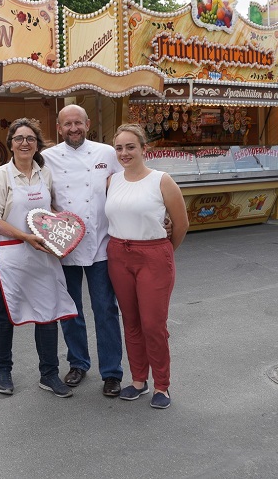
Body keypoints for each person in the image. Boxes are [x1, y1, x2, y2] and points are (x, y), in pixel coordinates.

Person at [0, 117, 77, 398]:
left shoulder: (44, 173)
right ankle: (3, 370)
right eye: (19, 138)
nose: (24, 143)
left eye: (30, 139)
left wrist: (62, 233)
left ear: (37, 144)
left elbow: (51, 212)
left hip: (43, 255)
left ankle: (49, 373)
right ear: (10, 144)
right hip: (12, 255)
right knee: (5, 312)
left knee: (47, 313)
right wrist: (26, 237)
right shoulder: (1, 176)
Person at [40, 104, 124, 397]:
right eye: (67, 124)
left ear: (87, 124)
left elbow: (127, 185)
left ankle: (112, 372)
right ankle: (78, 362)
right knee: (69, 310)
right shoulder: (47, 158)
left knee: (105, 310)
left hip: (101, 244)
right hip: (65, 247)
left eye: (78, 123)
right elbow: (42, 197)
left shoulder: (107, 153)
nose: (73, 128)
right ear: (59, 128)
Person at [105, 123, 188, 409]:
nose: (124, 153)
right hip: (118, 254)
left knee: (153, 324)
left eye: (130, 147)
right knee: (131, 322)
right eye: (119, 148)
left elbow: (181, 224)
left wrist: (162, 251)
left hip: (153, 256)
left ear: (144, 148)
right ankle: (138, 380)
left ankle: (162, 386)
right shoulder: (112, 181)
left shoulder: (161, 180)